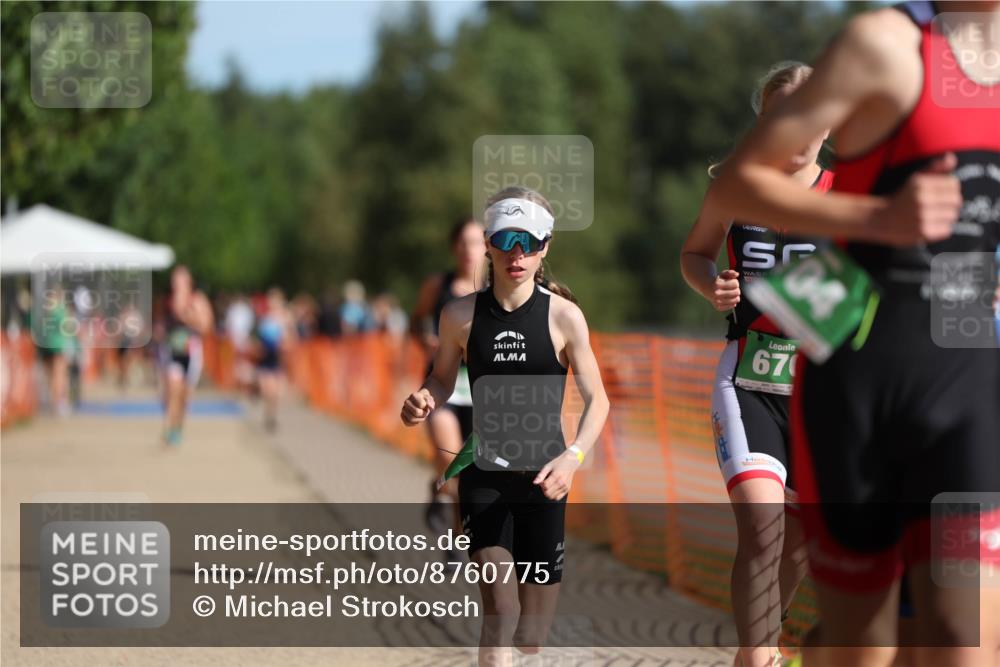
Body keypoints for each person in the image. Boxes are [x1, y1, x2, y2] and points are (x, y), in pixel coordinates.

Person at [713, 2, 999, 665]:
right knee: (863, 644)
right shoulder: (885, 44)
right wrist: (878, 216)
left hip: (968, 380)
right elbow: (739, 180)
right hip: (863, 381)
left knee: (963, 638)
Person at [401, 187, 610, 666]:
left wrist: (572, 458)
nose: (517, 254)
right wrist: (424, 399)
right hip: (485, 477)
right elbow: (440, 377)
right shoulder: (459, 315)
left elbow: (599, 401)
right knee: (499, 606)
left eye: (529, 242)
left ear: (546, 247)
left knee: (531, 636)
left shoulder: (565, 317)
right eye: (506, 240)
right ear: (489, 243)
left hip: (545, 482)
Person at [681, 61, 833, 667]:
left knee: (798, 541)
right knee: (764, 529)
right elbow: (694, 252)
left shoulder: (848, 194)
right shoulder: (734, 188)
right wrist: (710, 282)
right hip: (748, 378)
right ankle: (755, 655)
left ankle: (768, 635)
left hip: (824, 389)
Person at [409, 217, 486, 542]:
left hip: (480, 392)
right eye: (464, 242)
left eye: (477, 242)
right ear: (455, 247)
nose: (470, 250)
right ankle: (441, 487)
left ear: (487, 247)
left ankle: (457, 536)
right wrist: (425, 338)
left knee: (466, 474)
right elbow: (416, 320)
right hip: (442, 388)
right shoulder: (437, 286)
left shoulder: (495, 291)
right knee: (450, 458)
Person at [161, 265, 213, 446]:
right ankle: (168, 428)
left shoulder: (197, 300)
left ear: (189, 282)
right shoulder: (168, 301)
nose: (176, 284)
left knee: (185, 395)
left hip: (192, 352)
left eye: (180, 280)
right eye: (174, 280)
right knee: (173, 390)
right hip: (173, 352)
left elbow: (206, 326)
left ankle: (178, 428)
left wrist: (187, 317)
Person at [252, 287, 296, 432]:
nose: (273, 303)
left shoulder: (286, 317)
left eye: (276, 300)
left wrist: (285, 344)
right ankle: (267, 410)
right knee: (267, 390)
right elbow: (257, 338)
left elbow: (292, 338)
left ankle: (271, 416)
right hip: (265, 357)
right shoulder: (264, 318)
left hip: (279, 358)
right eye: (271, 300)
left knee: (276, 392)